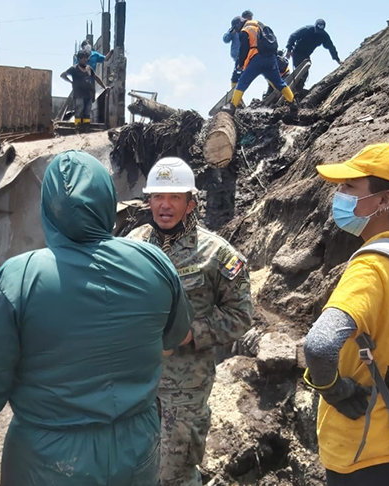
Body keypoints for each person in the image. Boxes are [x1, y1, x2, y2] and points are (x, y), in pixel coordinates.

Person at [0, 150, 193, 486]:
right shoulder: (154, 263)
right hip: (137, 449)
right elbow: (175, 336)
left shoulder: (18, 278)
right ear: (107, 201)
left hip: (49, 461)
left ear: (47, 208)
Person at [303, 143, 389, 485]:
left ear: (384, 200)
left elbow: (319, 345)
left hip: (360, 448)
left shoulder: (373, 267)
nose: (339, 194)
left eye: (350, 186)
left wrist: (333, 389)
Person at [127, 157, 253, 486]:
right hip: (136, 383)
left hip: (184, 391)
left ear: (191, 203)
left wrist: (189, 333)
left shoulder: (216, 254)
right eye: (158, 196)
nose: (164, 205)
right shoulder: (132, 245)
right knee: (134, 468)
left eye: (175, 197)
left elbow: (241, 315)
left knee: (175, 474)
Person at [225, 18, 297, 114]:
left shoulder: (245, 30)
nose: (236, 31)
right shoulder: (259, 25)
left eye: (235, 28)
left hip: (257, 60)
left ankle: (232, 107)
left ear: (239, 24)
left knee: (242, 82)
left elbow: (244, 50)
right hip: (271, 59)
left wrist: (240, 64)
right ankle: (293, 102)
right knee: (279, 82)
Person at [61, 50, 108, 127]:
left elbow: (96, 78)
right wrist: (71, 82)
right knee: (79, 111)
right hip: (79, 94)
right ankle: (78, 127)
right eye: (84, 58)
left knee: (87, 112)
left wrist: (104, 87)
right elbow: (63, 75)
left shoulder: (89, 68)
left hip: (88, 94)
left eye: (86, 58)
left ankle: (86, 128)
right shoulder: (74, 69)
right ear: (79, 59)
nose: (86, 60)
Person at [223, 16, 245, 88]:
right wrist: (231, 33)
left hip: (245, 54)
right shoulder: (232, 31)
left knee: (242, 74)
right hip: (238, 55)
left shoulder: (245, 29)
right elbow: (225, 40)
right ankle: (234, 90)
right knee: (237, 74)